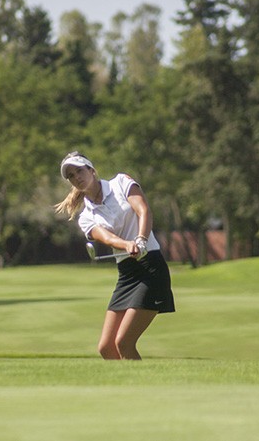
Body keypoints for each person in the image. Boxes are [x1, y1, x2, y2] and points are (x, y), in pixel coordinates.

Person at [55, 151, 175, 360]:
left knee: (124, 342)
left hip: (150, 268)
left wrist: (140, 240)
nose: (77, 177)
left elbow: (144, 210)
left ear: (92, 170)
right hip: (127, 274)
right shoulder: (86, 216)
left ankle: (144, 390)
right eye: (71, 176)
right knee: (106, 348)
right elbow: (107, 238)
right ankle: (126, 389)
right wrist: (126, 244)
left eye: (80, 171)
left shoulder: (121, 182)